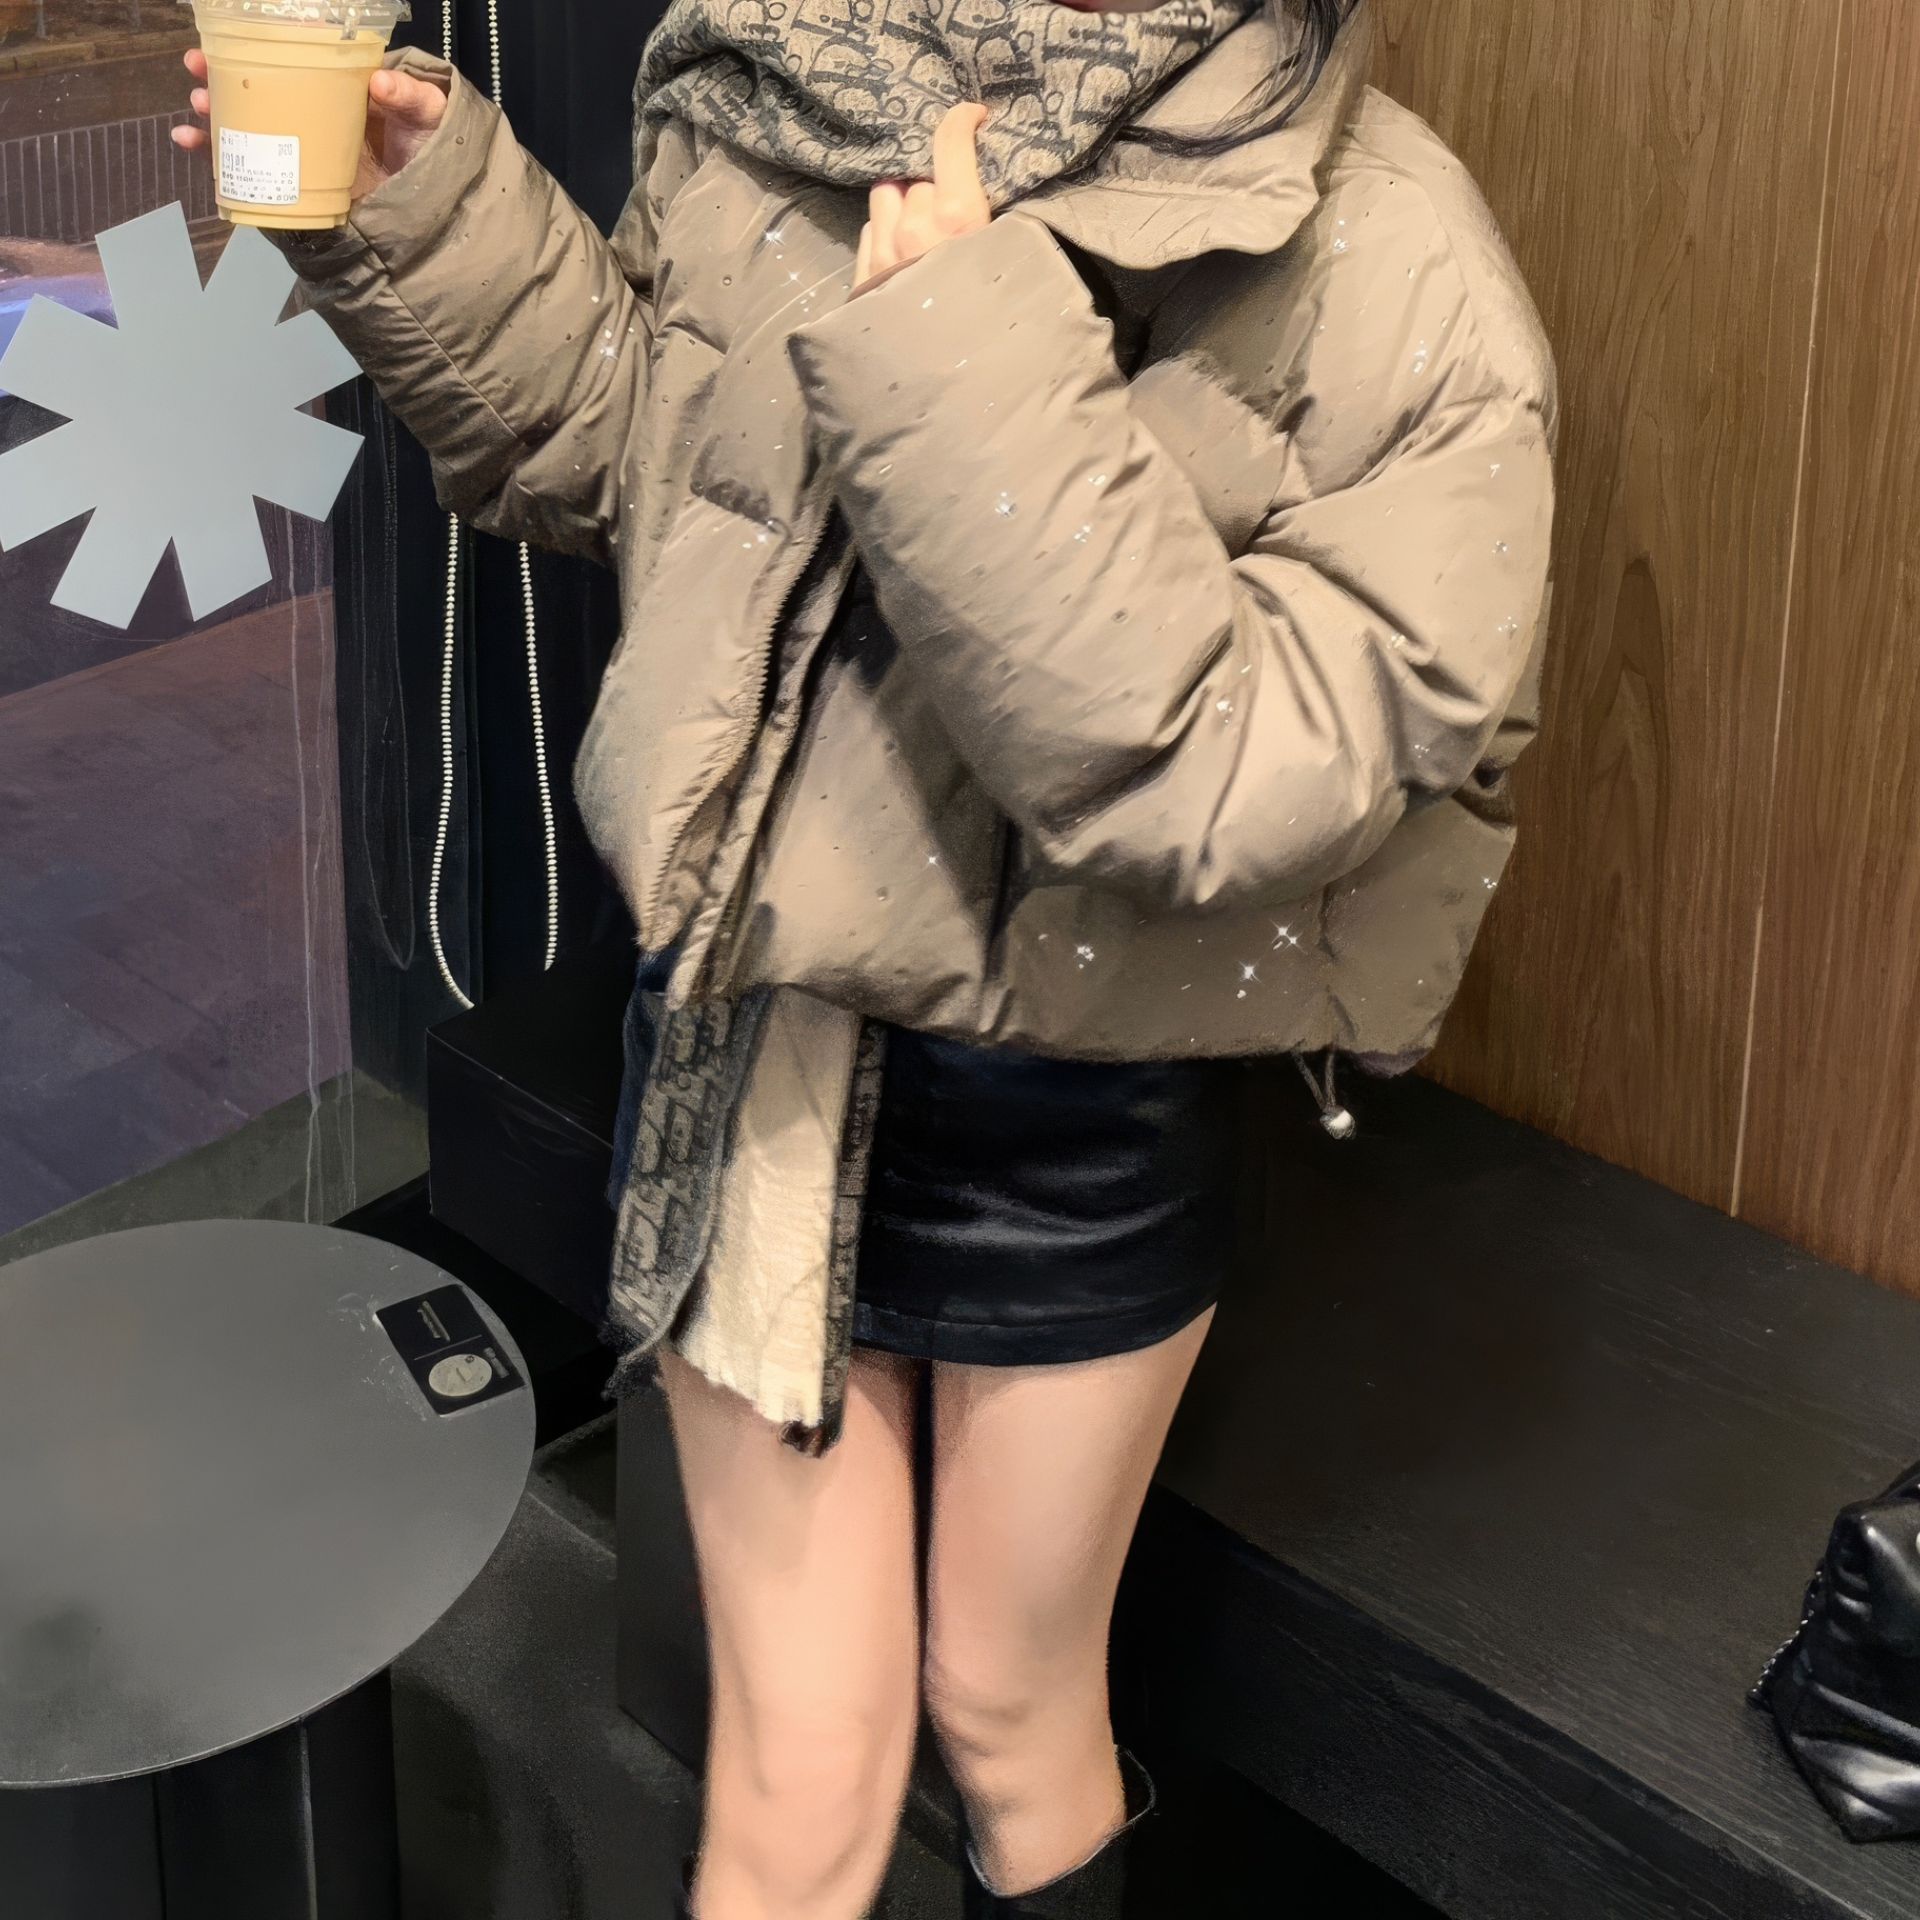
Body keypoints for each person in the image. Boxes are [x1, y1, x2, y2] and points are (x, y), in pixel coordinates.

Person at [177, 1, 1554, 1913]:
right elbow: (649, 462)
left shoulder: (1389, 244)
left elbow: (1247, 773)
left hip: (1079, 1106)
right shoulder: (790, 86)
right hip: (763, 1045)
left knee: (1006, 1705)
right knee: (801, 1777)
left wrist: (966, 358)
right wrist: (429, 216)